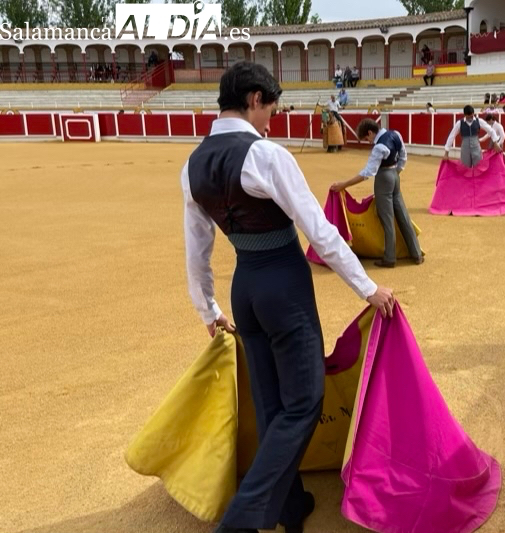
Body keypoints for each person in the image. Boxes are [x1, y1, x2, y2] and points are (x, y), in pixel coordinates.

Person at [183, 62, 394, 533]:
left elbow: (196, 250)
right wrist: (369, 288)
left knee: (272, 402)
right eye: (270, 110)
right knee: (303, 403)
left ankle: (289, 504)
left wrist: (210, 309)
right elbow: (319, 231)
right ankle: (240, 522)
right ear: (255, 98)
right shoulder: (266, 156)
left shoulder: (192, 164)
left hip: (245, 289)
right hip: (284, 284)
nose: (271, 121)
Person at [330, 119, 423, 268]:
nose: (368, 142)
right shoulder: (395, 134)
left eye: (367, 138)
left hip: (383, 179)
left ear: (370, 132)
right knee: (402, 215)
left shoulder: (379, 147)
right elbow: (403, 157)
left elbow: (367, 173)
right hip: (395, 176)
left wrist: (344, 184)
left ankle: (390, 258)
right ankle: (416, 253)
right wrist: (396, 173)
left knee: (387, 219)